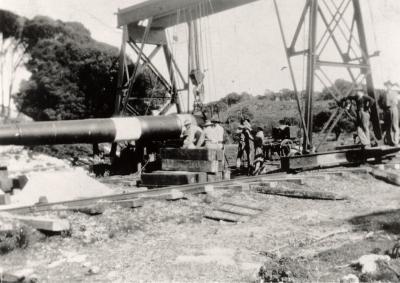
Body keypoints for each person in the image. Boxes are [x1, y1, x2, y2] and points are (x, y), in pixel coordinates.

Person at [382, 81, 400, 146]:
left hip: (393, 109)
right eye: (386, 85)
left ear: (391, 86)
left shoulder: (394, 93)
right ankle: (390, 142)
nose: (388, 87)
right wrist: (383, 108)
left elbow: (395, 102)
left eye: (389, 85)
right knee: (388, 126)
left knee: (394, 126)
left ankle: (396, 141)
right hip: (387, 111)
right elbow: (380, 101)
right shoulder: (383, 94)